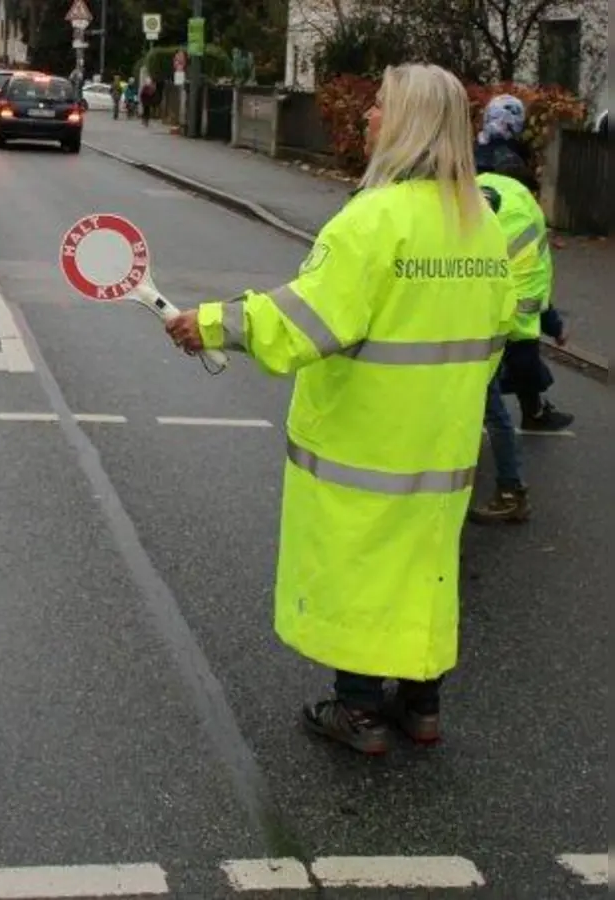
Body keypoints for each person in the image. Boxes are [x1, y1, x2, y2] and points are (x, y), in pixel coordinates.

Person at [165, 63, 516, 755]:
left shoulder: (372, 221)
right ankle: (421, 705)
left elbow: (305, 320)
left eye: (381, 106)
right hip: (442, 446)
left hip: (364, 443)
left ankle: (358, 711)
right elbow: (501, 326)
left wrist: (209, 324)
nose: (368, 116)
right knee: (424, 572)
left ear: (409, 123)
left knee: (361, 573)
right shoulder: (480, 225)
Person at [469, 94, 574, 525]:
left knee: (489, 401)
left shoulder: (473, 186)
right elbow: (532, 270)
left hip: (484, 315)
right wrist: (551, 320)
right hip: (509, 313)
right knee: (491, 395)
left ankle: (511, 489)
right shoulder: (522, 196)